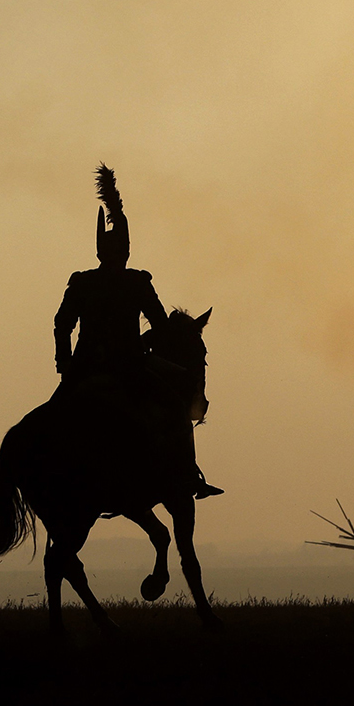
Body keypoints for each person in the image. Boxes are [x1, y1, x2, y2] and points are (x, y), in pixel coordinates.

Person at [53, 164, 222, 499]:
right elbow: (160, 328)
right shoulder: (137, 282)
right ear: (126, 250)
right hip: (129, 367)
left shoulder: (82, 282)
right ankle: (189, 477)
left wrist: (66, 364)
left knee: (54, 419)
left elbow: (62, 325)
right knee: (175, 408)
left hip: (83, 369)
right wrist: (145, 343)